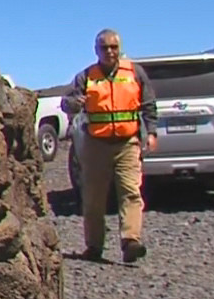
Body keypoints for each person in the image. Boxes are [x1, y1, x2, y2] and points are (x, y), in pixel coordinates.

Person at [61, 29, 158, 263]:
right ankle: (94, 246)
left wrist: (151, 132)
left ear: (120, 48)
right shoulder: (86, 76)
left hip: (127, 143)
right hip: (96, 145)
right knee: (94, 197)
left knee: (131, 192)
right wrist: (75, 103)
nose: (110, 51)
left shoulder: (134, 73)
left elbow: (148, 104)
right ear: (97, 51)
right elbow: (66, 103)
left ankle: (130, 241)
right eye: (104, 47)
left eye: (113, 47)